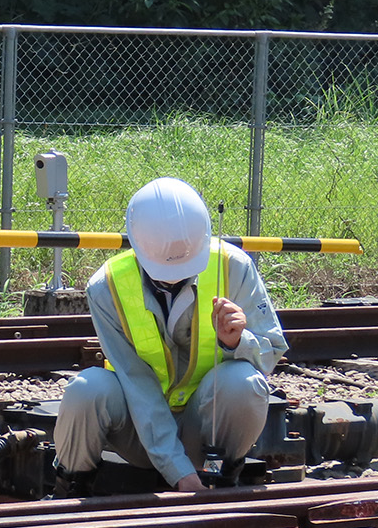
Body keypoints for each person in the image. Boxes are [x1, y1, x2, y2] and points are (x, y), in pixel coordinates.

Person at [50, 176, 288, 496]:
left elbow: (272, 351)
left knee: (244, 383)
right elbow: (137, 383)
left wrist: (237, 341)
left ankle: (222, 483)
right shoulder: (107, 288)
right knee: (88, 389)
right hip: (138, 431)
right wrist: (177, 470)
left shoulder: (234, 268)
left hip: (205, 434)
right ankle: (72, 489)